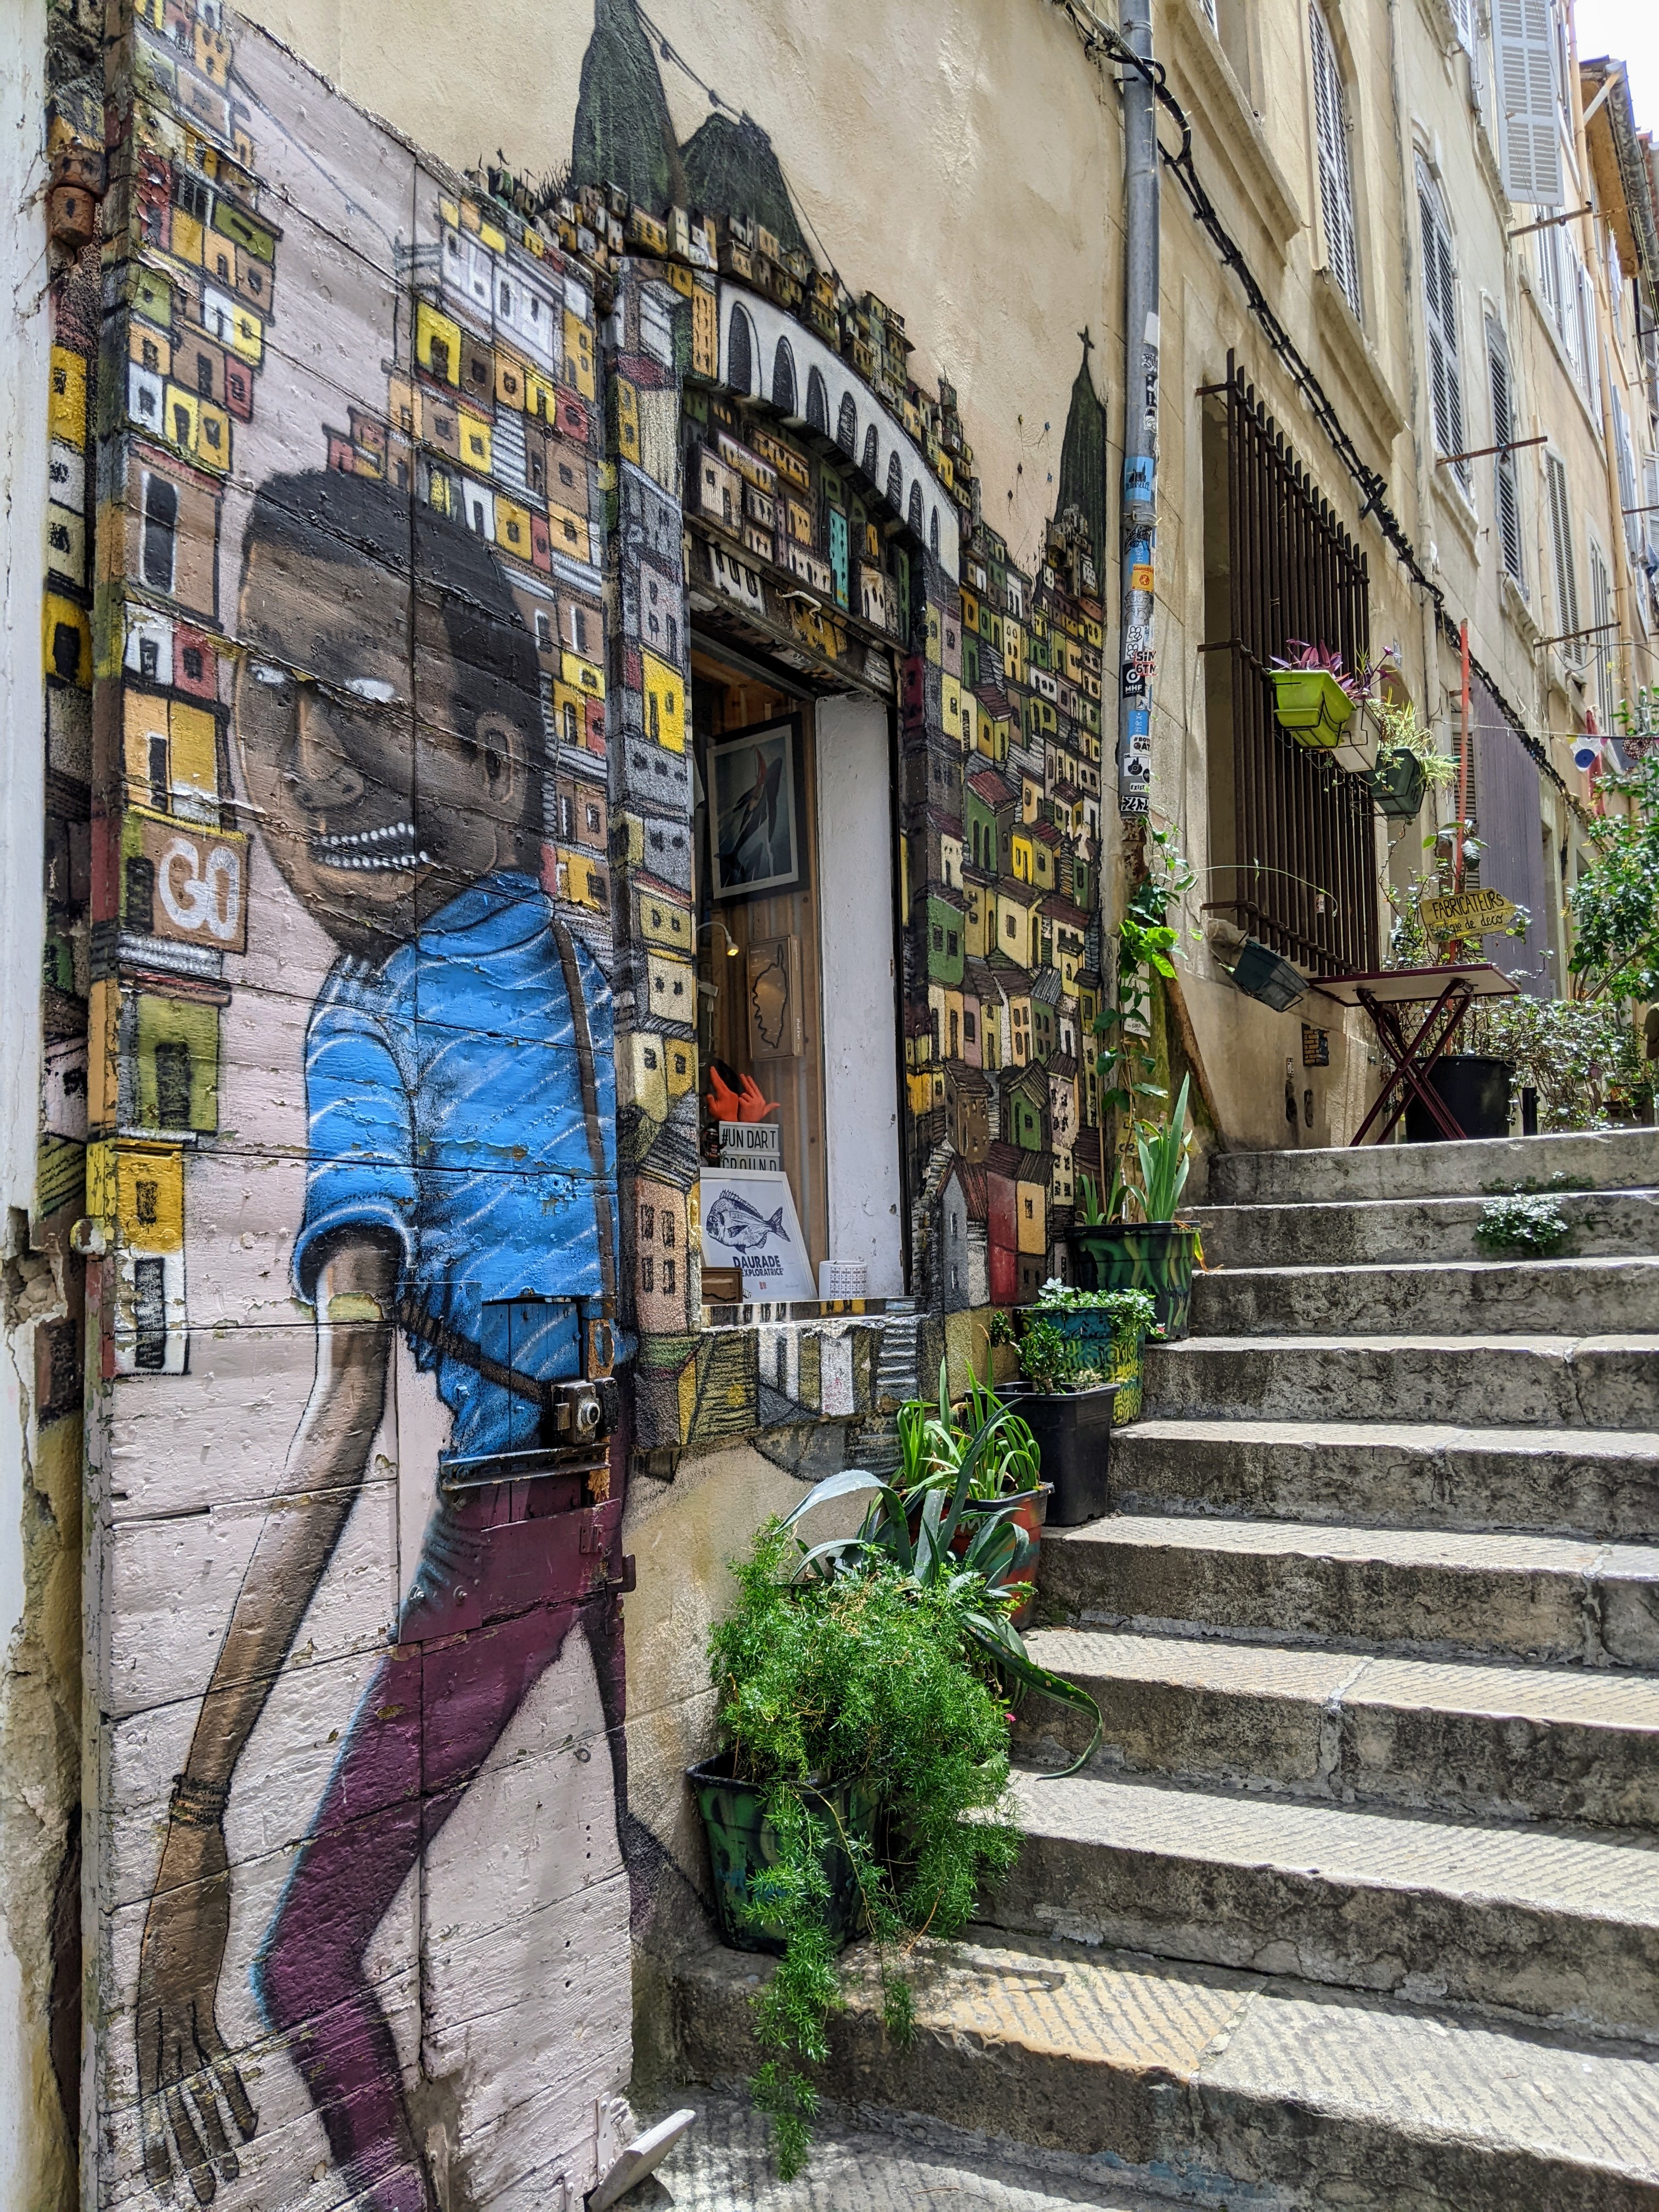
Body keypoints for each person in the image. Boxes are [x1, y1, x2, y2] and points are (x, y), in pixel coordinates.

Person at [133, 469, 626, 2212]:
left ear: (495, 764)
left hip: (517, 1515)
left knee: (297, 1961)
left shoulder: (364, 1019)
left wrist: (191, 1816)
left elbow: (347, 1414)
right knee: (600, 1811)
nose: (299, 765)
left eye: (347, 700)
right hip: (606, 1469)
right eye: (261, 696)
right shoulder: (579, 961)